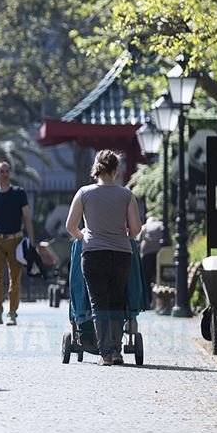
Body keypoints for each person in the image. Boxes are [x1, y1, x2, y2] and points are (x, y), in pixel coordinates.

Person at [65, 150, 142, 366]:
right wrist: (121, 235)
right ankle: (117, 351)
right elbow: (135, 229)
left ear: (96, 168)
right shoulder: (126, 195)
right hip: (121, 255)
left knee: (98, 303)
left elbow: (70, 226)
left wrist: (86, 237)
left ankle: (105, 354)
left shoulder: (84, 193)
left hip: (93, 254)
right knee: (117, 301)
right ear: (116, 170)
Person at [0, 161, 35, 326]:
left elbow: (27, 218)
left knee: (15, 278)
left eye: (7, 171)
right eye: (1, 171)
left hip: (16, 240)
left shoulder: (19, 193)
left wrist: (31, 241)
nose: (4, 174)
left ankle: (12, 313)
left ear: (10, 173)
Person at [138, 216, 163, 291]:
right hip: (159, 252)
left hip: (146, 252)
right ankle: (158, 288)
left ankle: (148, 295)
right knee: (158, 274)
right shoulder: (161, 224)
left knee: (146, 277)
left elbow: (138, 239)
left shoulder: (145, 226)